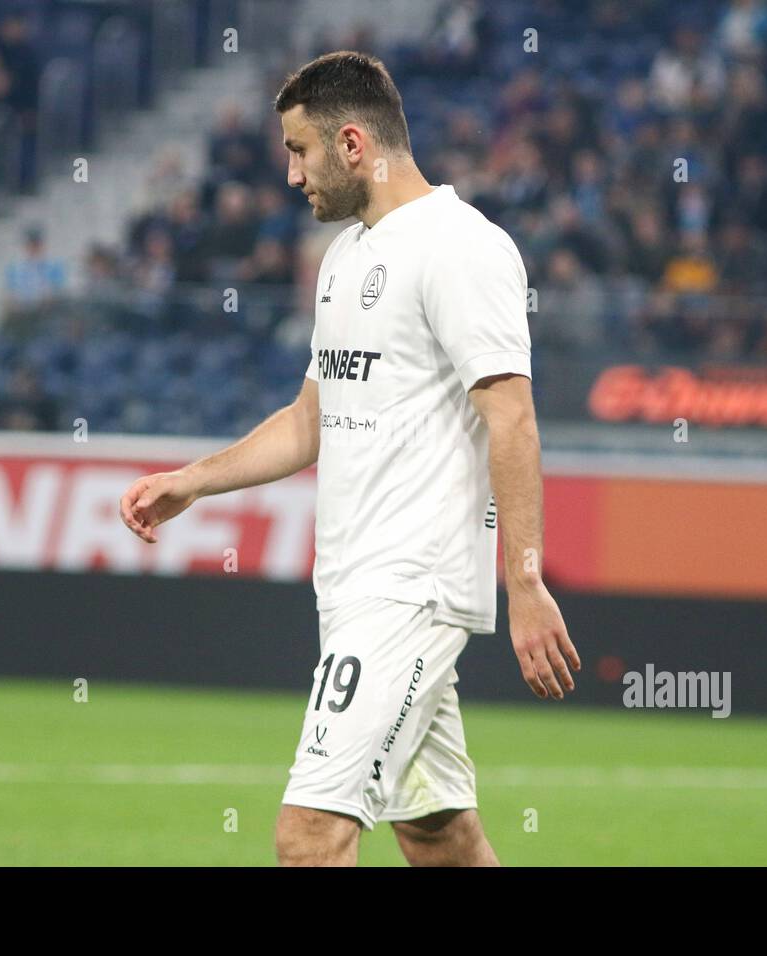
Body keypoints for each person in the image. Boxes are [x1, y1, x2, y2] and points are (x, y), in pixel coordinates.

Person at [118, 51, 579, 867]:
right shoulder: (345, 261)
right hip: (352, 586)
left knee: (308, 839)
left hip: (412, 588)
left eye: (299, 152)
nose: (292, 176)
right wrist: (193, 481)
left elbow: (512, 420)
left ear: (355, 144)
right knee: (440, 837)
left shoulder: (460, 248)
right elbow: (310, 419)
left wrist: (526, 578)